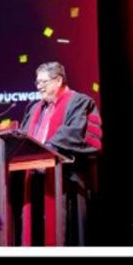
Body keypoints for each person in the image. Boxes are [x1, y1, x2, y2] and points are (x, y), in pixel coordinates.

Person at [19, 62, 102, 245]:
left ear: (58, 80)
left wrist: (45, 149)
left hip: (66, 180)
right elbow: (24, 138)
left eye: (43, 82)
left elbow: (76, 134)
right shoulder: (34, 108)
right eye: (37, 82)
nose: (39, 86)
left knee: (64, 235)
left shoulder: (79, 102)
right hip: (35, 180)